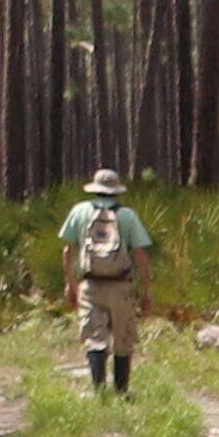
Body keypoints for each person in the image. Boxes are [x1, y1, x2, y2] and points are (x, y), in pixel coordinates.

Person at [56, 169, 152, 394]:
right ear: (117, 191)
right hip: (121, 287)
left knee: (94, 338)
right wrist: (147, 289)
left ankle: (98, 390)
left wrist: (70, 283)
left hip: (90, 285)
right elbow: (140, 254)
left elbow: (68, 250)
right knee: (123, 338)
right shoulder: (127, 216)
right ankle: (121, 390)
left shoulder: (79, 212)